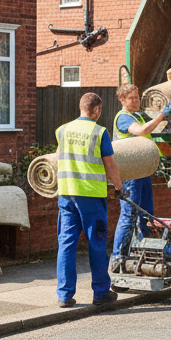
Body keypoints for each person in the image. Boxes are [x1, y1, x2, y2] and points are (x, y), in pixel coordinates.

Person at [55, 92, 124, 308]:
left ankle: (64, 296)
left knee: (66, 244)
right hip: (91, 197)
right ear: (97, 110)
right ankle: (101, 293)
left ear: (80, 107)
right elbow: (110, 165)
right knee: (96, 244)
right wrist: (120, 188)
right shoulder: (99, 132)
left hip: (67, 194)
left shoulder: (62, 130)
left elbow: (57, 157)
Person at [111, 84, 171, 273]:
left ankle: (148, 252)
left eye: (137, 97)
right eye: (132, 98)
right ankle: (118, 257)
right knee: (128, 215)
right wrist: (162, 114)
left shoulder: (137, 115)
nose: (136, 101)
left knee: (146, 215)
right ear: (122, 100)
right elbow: (140, 131)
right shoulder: (123, 118)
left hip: (143, 172)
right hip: (130, 174)